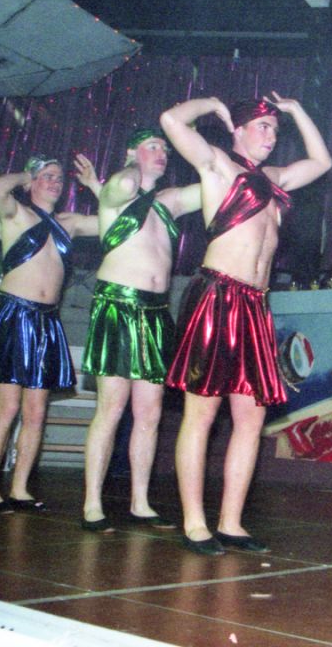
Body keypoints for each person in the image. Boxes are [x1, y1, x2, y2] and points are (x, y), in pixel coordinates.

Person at [161, 94, 332, 555]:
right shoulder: (217, 164)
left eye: (275, 129)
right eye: (262, 126)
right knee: (201, 414)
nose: (271, 136)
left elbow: (322, 162)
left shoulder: (273, 179)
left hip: (255, 305)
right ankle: (195, 522)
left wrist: (298, 112)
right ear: (237, 130)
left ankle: (231, 522)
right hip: (217, 296)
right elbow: (171, 120)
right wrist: (211, 104)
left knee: (251, 419)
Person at [80, 128, 201, 533]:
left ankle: (141, 501)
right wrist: (135, 163)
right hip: (117, 305)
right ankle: (92, 503)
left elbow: (212, 186)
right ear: (132, 152)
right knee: (111, 408)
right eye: (154, 146)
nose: (162, 152)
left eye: (165, 148)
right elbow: (122, 185)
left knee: (149, 413)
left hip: (155, 312)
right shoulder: (115, 195)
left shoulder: (168, 202)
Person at [0, 155, 99, 512]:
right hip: (15, 313)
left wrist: (94, 185)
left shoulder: (68, 223)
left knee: (35, 411)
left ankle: (20, 488)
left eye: (59, 178)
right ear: (31, 182)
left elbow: (114, 221)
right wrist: (26, 174)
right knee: (8, 406)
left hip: (47, 319)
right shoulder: (16, 213)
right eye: (47, 176)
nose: (54, 182)